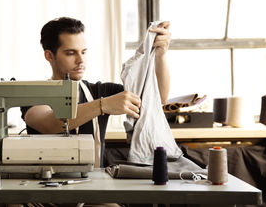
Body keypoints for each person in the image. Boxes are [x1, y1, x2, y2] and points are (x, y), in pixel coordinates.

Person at [21, 17, 171, 167]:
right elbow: (49, 125)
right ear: (49, 56)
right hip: (49, 186)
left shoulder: (99, 91)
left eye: (84, 52)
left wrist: (160, 56)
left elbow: (158, 99)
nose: (81, 60)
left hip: (94, 184)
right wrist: (102, 105)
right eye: (71, 53)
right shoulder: (35, 95)